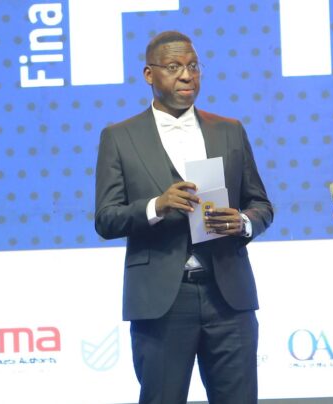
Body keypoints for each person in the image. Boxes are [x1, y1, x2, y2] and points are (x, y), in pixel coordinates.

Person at [94, 30, 273, 404]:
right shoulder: (119, 137)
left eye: (193, 66)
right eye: (174, 67)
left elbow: (261, 205)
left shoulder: (230, 130)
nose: (187, 75)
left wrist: (242, 222)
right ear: (149, 74)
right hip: (161, 300)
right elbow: (106, 219)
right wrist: (156, 207)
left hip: (229, 297)